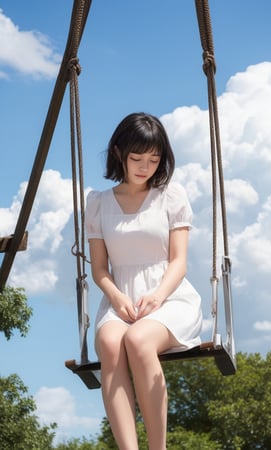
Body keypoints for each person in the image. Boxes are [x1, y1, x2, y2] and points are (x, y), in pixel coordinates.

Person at [85, 112, 202, 450]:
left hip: (169, 297)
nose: (145, 167)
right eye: (136, 158)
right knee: (109, 344)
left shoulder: (171, 195)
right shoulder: (98, 204)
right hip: (121, 297)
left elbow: (179, 261)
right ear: (118, 153)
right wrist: (117, 298)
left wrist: (157, 296)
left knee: (137, 340)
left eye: (154, 159)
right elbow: (99, 270)